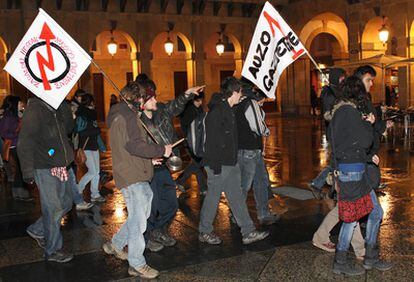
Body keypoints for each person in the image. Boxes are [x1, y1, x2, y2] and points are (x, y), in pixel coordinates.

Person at [103, 81, 172, 279]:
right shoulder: (128, 115)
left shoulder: (121, 114)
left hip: (132, 170)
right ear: (139, 98)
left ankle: (115, 244)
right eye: (147, 97)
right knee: (140, 222)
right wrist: (161, 150)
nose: (151, 100)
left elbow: (128, 147)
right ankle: (136, 263)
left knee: (138, 216)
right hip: (132, 175)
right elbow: (134, 145)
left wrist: (150, 159)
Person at [330, 76, 392, 275]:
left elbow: (348, 144)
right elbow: (365, 140)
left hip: (354, 169)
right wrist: (370, 123)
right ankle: (340, 261)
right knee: (351, 218)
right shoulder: (349, 112)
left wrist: (367, 157)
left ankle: (370, 257)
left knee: (375, 213)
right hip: (352, 173)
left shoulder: (340, 112)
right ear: (357, 94)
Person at [137, 73, 204, 252]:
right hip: (149, 169)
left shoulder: (162, 111)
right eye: (153, 97)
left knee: (171, 204)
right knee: (151, 206)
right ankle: (147, 235)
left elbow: (176, 105)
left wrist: (188, 94)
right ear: (142, 101)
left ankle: (159, 229)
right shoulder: (136, 120)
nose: (156, 100)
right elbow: (133, 146)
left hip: (164, 167)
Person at [199, 77, 269, 245]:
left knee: (237, 196)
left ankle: (247, 231)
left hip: (230, 162)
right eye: (240, 93)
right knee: (213, 197)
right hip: (218, 164)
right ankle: (204, 231)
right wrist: (215, 167)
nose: (240, 97)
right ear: (234, 92)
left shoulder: (229, 109)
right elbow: (212, 142)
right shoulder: (217, 111)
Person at [18, 97, 75, 263]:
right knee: (54, 208)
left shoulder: (56, 106)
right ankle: (53, 250)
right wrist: (28, 171)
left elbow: (69, 128)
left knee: (66, 203)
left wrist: (63, 104)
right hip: (44, 166)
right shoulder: (35, 108)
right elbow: (25, 142)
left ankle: (37, 229)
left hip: (60, 164)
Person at [234, 84, 279, 225]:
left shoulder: (237, 103)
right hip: (251, 149)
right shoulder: (250, 103)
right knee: (249, 184)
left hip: (242, 149)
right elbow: (259, 127)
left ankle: (262, 214)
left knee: (258, 181)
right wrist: (266, 130)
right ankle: (240, 215)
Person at [309, 68, 346, 195]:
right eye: (341, 77)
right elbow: (328, 114)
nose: (343, 79)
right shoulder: (329, 93)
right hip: (334, 130)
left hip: (338, 130)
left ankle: (320, 184)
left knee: (336, 160)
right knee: (337, 160)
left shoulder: (337, 91)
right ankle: (322, 184)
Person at [0, 96, 33, 201]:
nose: (21, 105)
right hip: (14, 146)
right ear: (14, 105)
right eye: (19, 103)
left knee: (19, 170)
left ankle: (19, 193)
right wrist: (17, 133)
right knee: (19, 170)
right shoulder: (8, 117)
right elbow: (4, 133)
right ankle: (20, 193)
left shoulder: (17, 115)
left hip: (20, 145)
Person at [75, 93, 106, 203]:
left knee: (96, 171)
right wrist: (96, 130)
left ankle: (95, 194)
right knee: (92, 172)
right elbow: (80, 132)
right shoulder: (81, 116)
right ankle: (79, 189)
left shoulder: (92, 115)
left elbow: (96, 134)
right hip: (86, 147)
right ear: (90, 102)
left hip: (94, 146)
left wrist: (102, 147)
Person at [176, 92, 208, 195]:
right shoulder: (189, 111)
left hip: (198, 140)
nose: (200, 102)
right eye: (198, 100)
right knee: (197, 162)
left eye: (201, 100)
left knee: (197, 163)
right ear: (193, 100)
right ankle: (203, 188)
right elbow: (187, 126)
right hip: (190, 140)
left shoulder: (198, 109)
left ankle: (181, 181)